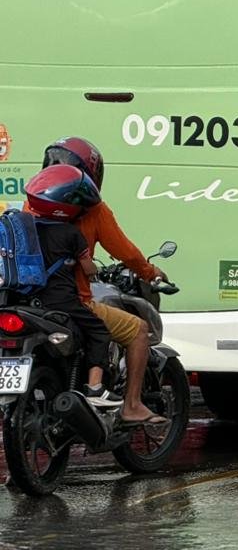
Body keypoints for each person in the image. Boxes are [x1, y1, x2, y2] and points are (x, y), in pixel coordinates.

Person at [37, 138, 167, 426]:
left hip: (31, 303)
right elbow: (126, 253)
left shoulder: (32, 206)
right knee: (138, 330)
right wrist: (149, 272)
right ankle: (131, 405)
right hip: (74, 302)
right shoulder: (94, 212)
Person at [22, 166, 119, 408]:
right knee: (99, 331)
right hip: (60, 301)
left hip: (24, 301)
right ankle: (95, 388)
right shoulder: (71, 233)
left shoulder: (25, 229)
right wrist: (95, 271)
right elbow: (88, 268)